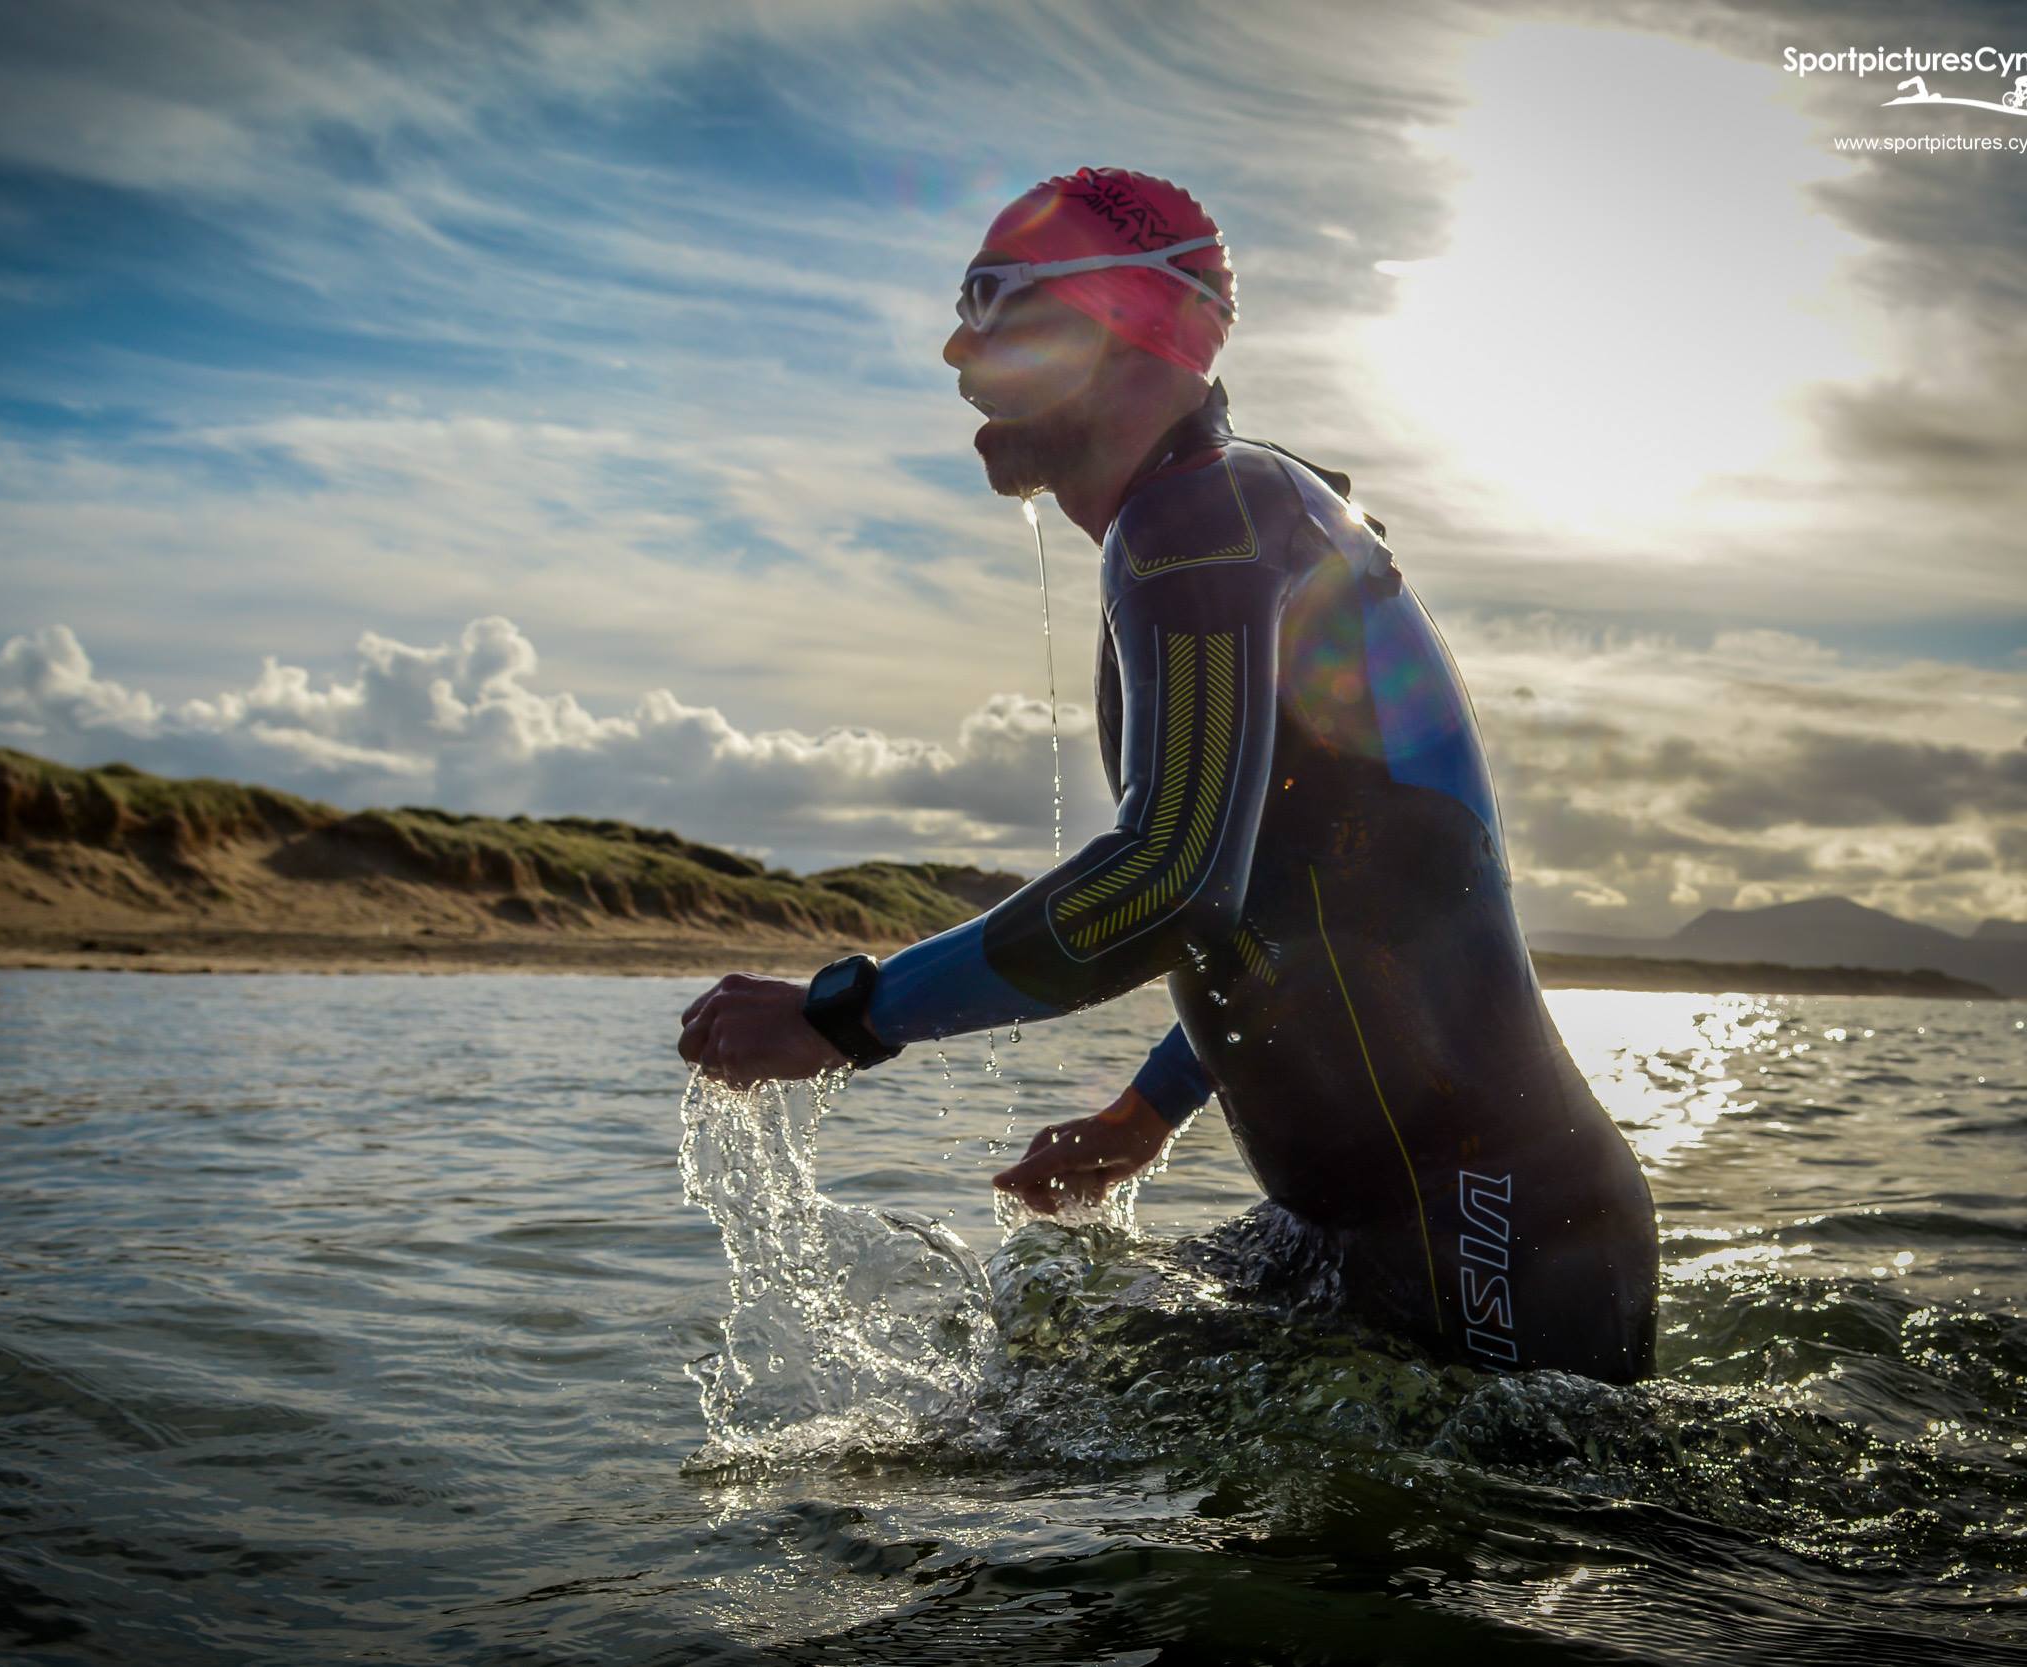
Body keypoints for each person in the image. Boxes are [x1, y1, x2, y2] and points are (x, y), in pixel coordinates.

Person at [676, 167, 1657, 1383]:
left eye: (990, 301)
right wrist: (1147, 1112)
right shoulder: (1221, 522)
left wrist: (846, 1014)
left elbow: (1173, 875)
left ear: (1109, 322)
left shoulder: (1201, 521)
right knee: (1055, 1375)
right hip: (1373, 1225)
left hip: (1489, 1229)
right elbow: (1294, 894)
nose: (953, 348)